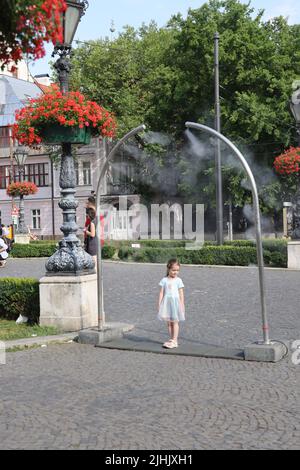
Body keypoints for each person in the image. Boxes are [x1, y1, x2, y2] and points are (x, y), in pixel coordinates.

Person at [157, 258, 185, 349]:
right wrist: (159, 304)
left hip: (176, 304)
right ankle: (172, 338)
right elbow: (161, 293)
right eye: (173, 270)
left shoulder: (178, 280)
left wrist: (182, 305)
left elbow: (181, 294)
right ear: (168, 269)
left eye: (177, 270)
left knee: (175, 322)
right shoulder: (164, 280)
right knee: (169, 323)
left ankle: (175, 340)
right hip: (167, 303)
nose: (175, 272)